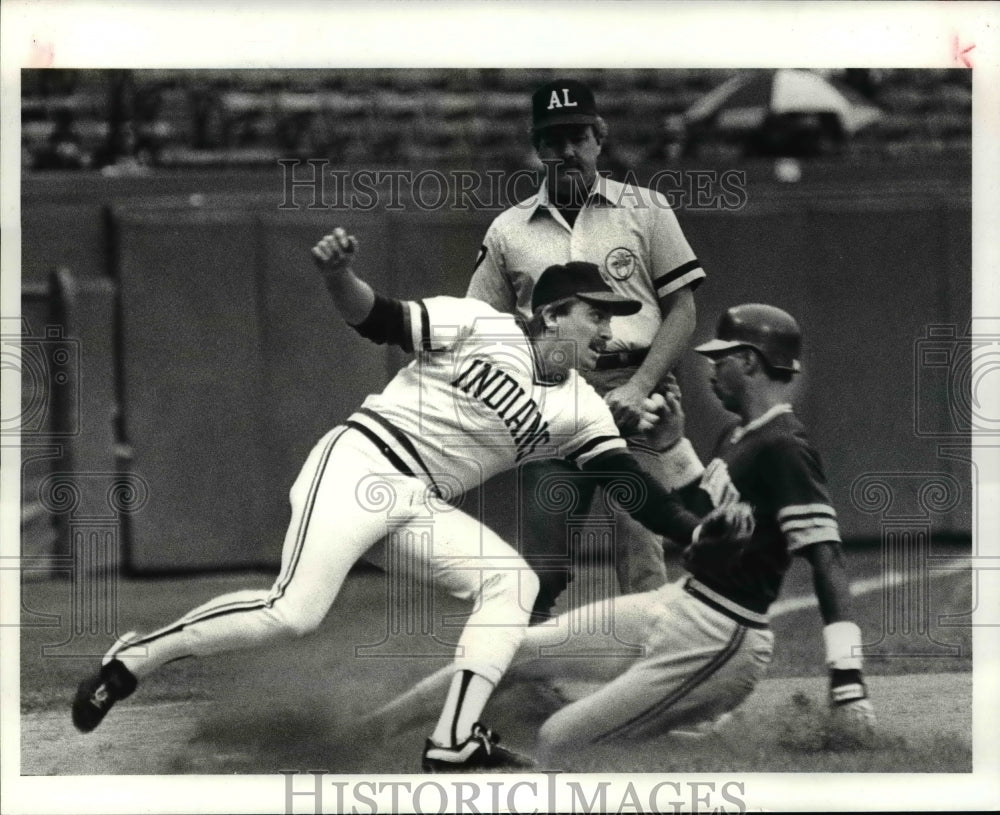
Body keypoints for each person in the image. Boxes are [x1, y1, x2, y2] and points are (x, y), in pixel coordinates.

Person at [71, 228, 752, 773]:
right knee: (292, 613)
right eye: (597, 313)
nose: (609, 330)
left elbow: (625, 485)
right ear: (551, 312)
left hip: (416, 502)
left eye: (615, 317)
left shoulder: (583, 408)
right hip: (358, 464)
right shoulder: (479, 323)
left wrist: (692, 533)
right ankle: (138, 656)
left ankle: (453, 740)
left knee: (509, 581)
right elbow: (376, 317)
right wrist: (339, 275)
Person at [361, 304, 877, 766]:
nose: (711, 369)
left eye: (721, 358)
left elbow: (827, 559)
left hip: (723, 634)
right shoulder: (739, 435)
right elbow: (698, 523)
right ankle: (363, 735)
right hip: (678, 603)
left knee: (560, 740)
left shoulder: (786, 445)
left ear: (750, 361)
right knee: (512, 648)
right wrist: (674, 446)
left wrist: (848, 680)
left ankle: (713, 744)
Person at [468, 78, 707, 618]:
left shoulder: (645, 209)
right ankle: (522, 685)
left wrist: (642, 385)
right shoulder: (509, 230)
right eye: (552, 141)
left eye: (577, 136)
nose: (566, 151)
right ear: (538, 149)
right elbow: (480, 322)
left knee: (642, 548)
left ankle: (656, 686)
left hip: (635, 390)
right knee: (542, 565)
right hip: (551, 399)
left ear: (599, 137)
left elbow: (683, 310)